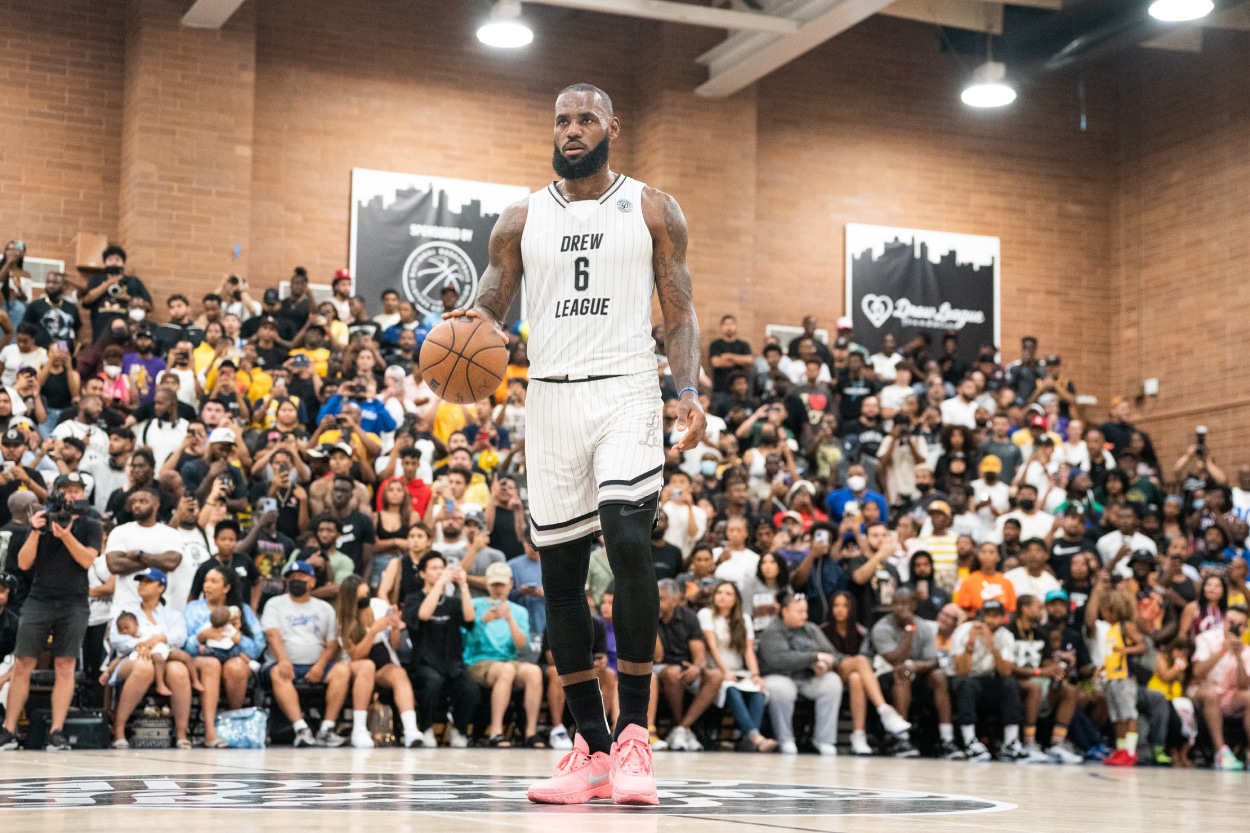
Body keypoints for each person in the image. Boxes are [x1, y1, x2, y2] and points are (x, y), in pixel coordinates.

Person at [447, 85, 706, 805]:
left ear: (612, 129)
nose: (571, 129)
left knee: (627, 539)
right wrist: (465, 328)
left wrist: (686, 390)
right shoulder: (521, 216)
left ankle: (634, 736)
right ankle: (589, 746)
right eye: (561, 119)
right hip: (552, 395)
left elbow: (680, 309)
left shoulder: (653, 206)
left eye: (586, 118)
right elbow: (494, 297)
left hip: (626, 387)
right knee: (559, 571)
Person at [0, 484, 102, 751]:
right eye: (66, 491)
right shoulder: (41, 521)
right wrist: (34, 530)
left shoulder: (91, 524)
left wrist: (66, 536)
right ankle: (8, 730)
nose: (71, 496)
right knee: (23, 664)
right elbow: (23, 564)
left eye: (76, 491)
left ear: (82, 496)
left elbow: (87, 560)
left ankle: (56, 731)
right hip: (39, 598)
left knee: (65, 665)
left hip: (74, 601)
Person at [261, 561, 361, 748]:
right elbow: (273, 635)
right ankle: (301, 729)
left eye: (301, 577)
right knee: (277, 672)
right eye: (291, 578)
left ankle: (327, 729)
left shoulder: (324, 608)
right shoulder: (274, 604)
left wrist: (320, 665)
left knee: (342, 671)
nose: (296, 580)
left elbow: (332, 644)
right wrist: (283, 660)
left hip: (316, 664)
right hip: (283, 663)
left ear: (313, 582)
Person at [867, 588, 962, 759]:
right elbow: (895, 660)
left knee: (939, 676)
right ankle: (901, 738)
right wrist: (909, 629)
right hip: (885, 678)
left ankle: (946, 738)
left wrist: (916, 666)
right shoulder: (882, 627)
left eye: (905, 604)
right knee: (902, 673)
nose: (900, 608)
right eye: (896, 604)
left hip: (915, 675)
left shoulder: (924, 627)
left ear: (914, 605)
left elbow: (934, 660)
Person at [105, 567, 195, 749]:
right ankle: (119, 730)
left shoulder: (173, 614)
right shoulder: (126, 613)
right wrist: (142, 646)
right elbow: (117, 639)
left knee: (179, 670)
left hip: (165, 658)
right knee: (143, 667)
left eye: (148, 581)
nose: (142, 585)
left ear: (161, 587)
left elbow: (179, 638)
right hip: (133, 658)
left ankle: (181, 733)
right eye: (141, 581)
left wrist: (159, 639)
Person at [463, 562, 544, 749]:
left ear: (510, 584)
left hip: (508, 659)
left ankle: (530, 732)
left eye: (502, 584)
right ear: (487, 585)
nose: (498, 589)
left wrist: (509, 620)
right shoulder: (475, 605)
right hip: (479, 660)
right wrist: (484, 621)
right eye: (494, 584)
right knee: (506, 670)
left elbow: (521, 644)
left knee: (533, 672)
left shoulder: (519, 611)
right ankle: (496, 731)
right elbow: (468, 641)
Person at [183, 564, 264, 748]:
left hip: (234, 659)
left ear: (226, 587)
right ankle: (210, 732)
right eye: (205, 581)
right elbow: (184, 647)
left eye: (213, 581)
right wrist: (201, 637)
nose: (207, 586)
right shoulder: (193, 608)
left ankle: (232, 723)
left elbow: (257, 648)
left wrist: (238, 637)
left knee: (235, 666)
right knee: (211, 664)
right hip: (202, 660)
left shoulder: (242, 610)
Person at [404, 548, 479, 748]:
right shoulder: (413, 599)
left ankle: (459, 729)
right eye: (434, 568)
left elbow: (470, 619)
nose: (440, 571)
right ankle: (426, 728)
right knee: (432, 683)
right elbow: (424, 615)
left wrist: (463, 586)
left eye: (442, 568)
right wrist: (440, 583)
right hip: (425, 662)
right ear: (422, 574)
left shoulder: (453, 602)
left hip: (452, 662)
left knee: (470, 690)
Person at [336, 576, 420, 748]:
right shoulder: (343, 620)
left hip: (383, 661)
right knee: (367, 666)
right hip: (359, 666)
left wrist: (395, 627)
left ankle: (410, 730)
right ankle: (359, 730)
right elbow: (356, 655)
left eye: (367, 593)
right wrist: (372, 632)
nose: (366, 599)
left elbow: (394, 644)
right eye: (361, 597)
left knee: (399, 673)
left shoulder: (379, 605)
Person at [758, 593, 844, 755]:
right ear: (785, 611)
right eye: (799, 612)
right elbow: (779, 660)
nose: (804, 615)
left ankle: (824, 739)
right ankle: (785, 739)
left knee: (832, 681)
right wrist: (814, 657)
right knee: (783, 689)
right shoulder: (773, 630)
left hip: (807, 677)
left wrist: (824, 664)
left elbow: (833, 655)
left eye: (805, 611)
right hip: (779, 675)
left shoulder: (811, 629)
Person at [697, 581, 775, 752]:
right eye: (719, 592)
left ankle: (749, 738)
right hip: (717, 671)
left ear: (735, 600)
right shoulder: (706, 614)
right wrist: (725, 671)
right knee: (730, 688)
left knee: (759, 689)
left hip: (740, 671)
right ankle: (756, 736)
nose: (722, 596)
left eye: (728, 594)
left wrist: (755, 674)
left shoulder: (744, 619)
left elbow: (748, 650)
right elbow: (712, 647)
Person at [950, 599, 1025, 761]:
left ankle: (1010, 742)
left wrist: (991, 645)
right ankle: (970, 741)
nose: (991, 620)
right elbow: (961, 671)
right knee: (966, 683)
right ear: (981, 616)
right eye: (988, 615)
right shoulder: (963, 631)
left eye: (996, 615)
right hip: (967, 681)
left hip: (990, 682)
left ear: (1002, 618)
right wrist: (970, 643)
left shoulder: (1006, 636)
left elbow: (1005, 671)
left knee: (1010, 683)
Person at [654, 578, 723, 752]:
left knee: (715, 676)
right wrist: (651, 622)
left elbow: (699, 656)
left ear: (675, 601)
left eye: (661, 599)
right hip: (657, 669)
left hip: (686, 668)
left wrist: (697, 668)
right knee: (672, 672)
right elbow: (657, 656)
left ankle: (681, 728)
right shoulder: (648, 616)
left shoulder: (689, 618)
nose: (657, 602)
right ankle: (681, 726)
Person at [1191, 603, 1250, 770]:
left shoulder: (1246, 649)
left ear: (1245, 627)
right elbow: (1197, 672)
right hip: (1202, 691)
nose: (1234, 627)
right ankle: (1220, 751)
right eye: (1231, 622)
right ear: (1224, 621)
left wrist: (1238, 657)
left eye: (1239, 624)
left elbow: (1244, 685)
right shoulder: (1206, 639)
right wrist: (1222, 651)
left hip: (1230, 697)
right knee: (1211, 694)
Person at [1098, 587, 1145, 766]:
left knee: (1128, 714)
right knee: (1117, 716)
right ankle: (1120, 749)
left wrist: (1125, 650)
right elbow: (1112, 654)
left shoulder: (1127, 626)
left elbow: (1142, 646)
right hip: (1111, 676)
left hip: (1124, 676)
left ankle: (1131, 751)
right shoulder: (1111, 629)